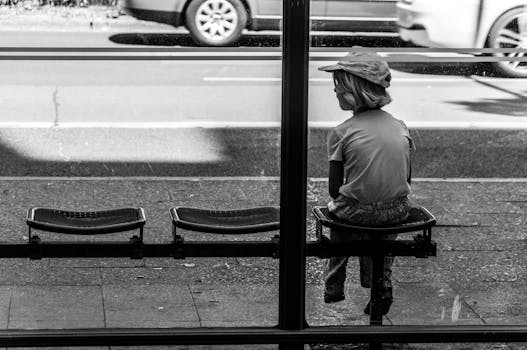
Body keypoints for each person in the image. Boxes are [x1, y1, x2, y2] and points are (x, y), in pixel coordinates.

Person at [318, 50, 415, 316]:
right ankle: (379, 282)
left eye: (338, 85)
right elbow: (405, 179)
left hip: (356, 213)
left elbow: (334, 189)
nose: (335, 91)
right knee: (381, 237)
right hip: (397, 210)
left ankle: (334, 285)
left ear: (353, 90)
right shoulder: (400, 126)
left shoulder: (341, 132)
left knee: (337, 213)